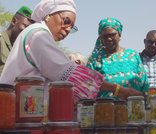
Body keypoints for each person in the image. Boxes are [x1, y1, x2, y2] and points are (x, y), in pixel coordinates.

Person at [0, 0, 142, 103]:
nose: (68, 29)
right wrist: (118, 89)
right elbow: (68, 73)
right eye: (66, 21)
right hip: (18, 109)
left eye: (72, 27)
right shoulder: (38, 34)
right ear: (49, 15)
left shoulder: (36, 34)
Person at [87, 17, 149, 102]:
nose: (109, 39)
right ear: (101, 38)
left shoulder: (133, 56)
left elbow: (144, 84)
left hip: (134, 109)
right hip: (106, 110)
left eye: (112, 35)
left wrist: (147, 107)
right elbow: (89, 85)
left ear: (119, 35)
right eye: (105, 36)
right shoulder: (95, 59)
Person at [0, 6, 35, 75]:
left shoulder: (19, 49)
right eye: (25, 26)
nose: (27, 32)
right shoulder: (1, 41)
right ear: (14, 21)